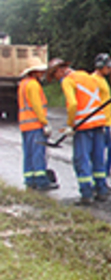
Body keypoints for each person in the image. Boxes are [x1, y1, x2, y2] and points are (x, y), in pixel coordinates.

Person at [48, 59, 111, 205]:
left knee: (81, 159)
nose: (57, 79)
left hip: (83, 127)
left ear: (59, 70)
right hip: (99, 123)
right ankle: (101, 190)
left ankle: (86, 194)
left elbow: (73, 104)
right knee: (98, 158)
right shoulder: (86, 76)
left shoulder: (67, 81)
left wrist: (70, 124)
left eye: (55, 75)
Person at [18, 58, 57, 191]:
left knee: (29, 153)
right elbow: (37, 106)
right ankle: (41, 181)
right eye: (40, 71)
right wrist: (44, 123)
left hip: (25, 125)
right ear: (34, 72)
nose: (42, 73)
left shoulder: (23, 84)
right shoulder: (33, 85)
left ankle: (30, 179)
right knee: (38, 153)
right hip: (35, 124)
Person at [92, 53, 111, 194]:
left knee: (108, 154)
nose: (110, 70)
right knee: (103, 155)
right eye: (108, 67)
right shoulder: (94, 80)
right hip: (101, 123)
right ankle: (100, 183)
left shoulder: (101, 79)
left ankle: (102, 182)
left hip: (107, 121)